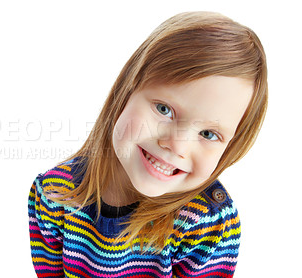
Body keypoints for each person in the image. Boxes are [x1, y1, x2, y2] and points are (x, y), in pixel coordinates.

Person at [28, 11, 267, 278]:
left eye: (208, 134)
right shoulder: (54, 193)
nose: (177, 146)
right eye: (164, 109)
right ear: (127, 91)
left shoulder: (208, 222)